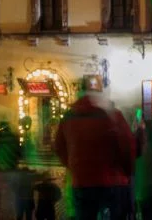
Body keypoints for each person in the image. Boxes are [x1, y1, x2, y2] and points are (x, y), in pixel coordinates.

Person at [54, 82, 135, 220]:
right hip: (112, 180)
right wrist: (127, 171)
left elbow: (59, 147)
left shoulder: (68, 117)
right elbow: (127, 146)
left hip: (81, 181)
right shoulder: (113, 115)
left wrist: (75, 167)